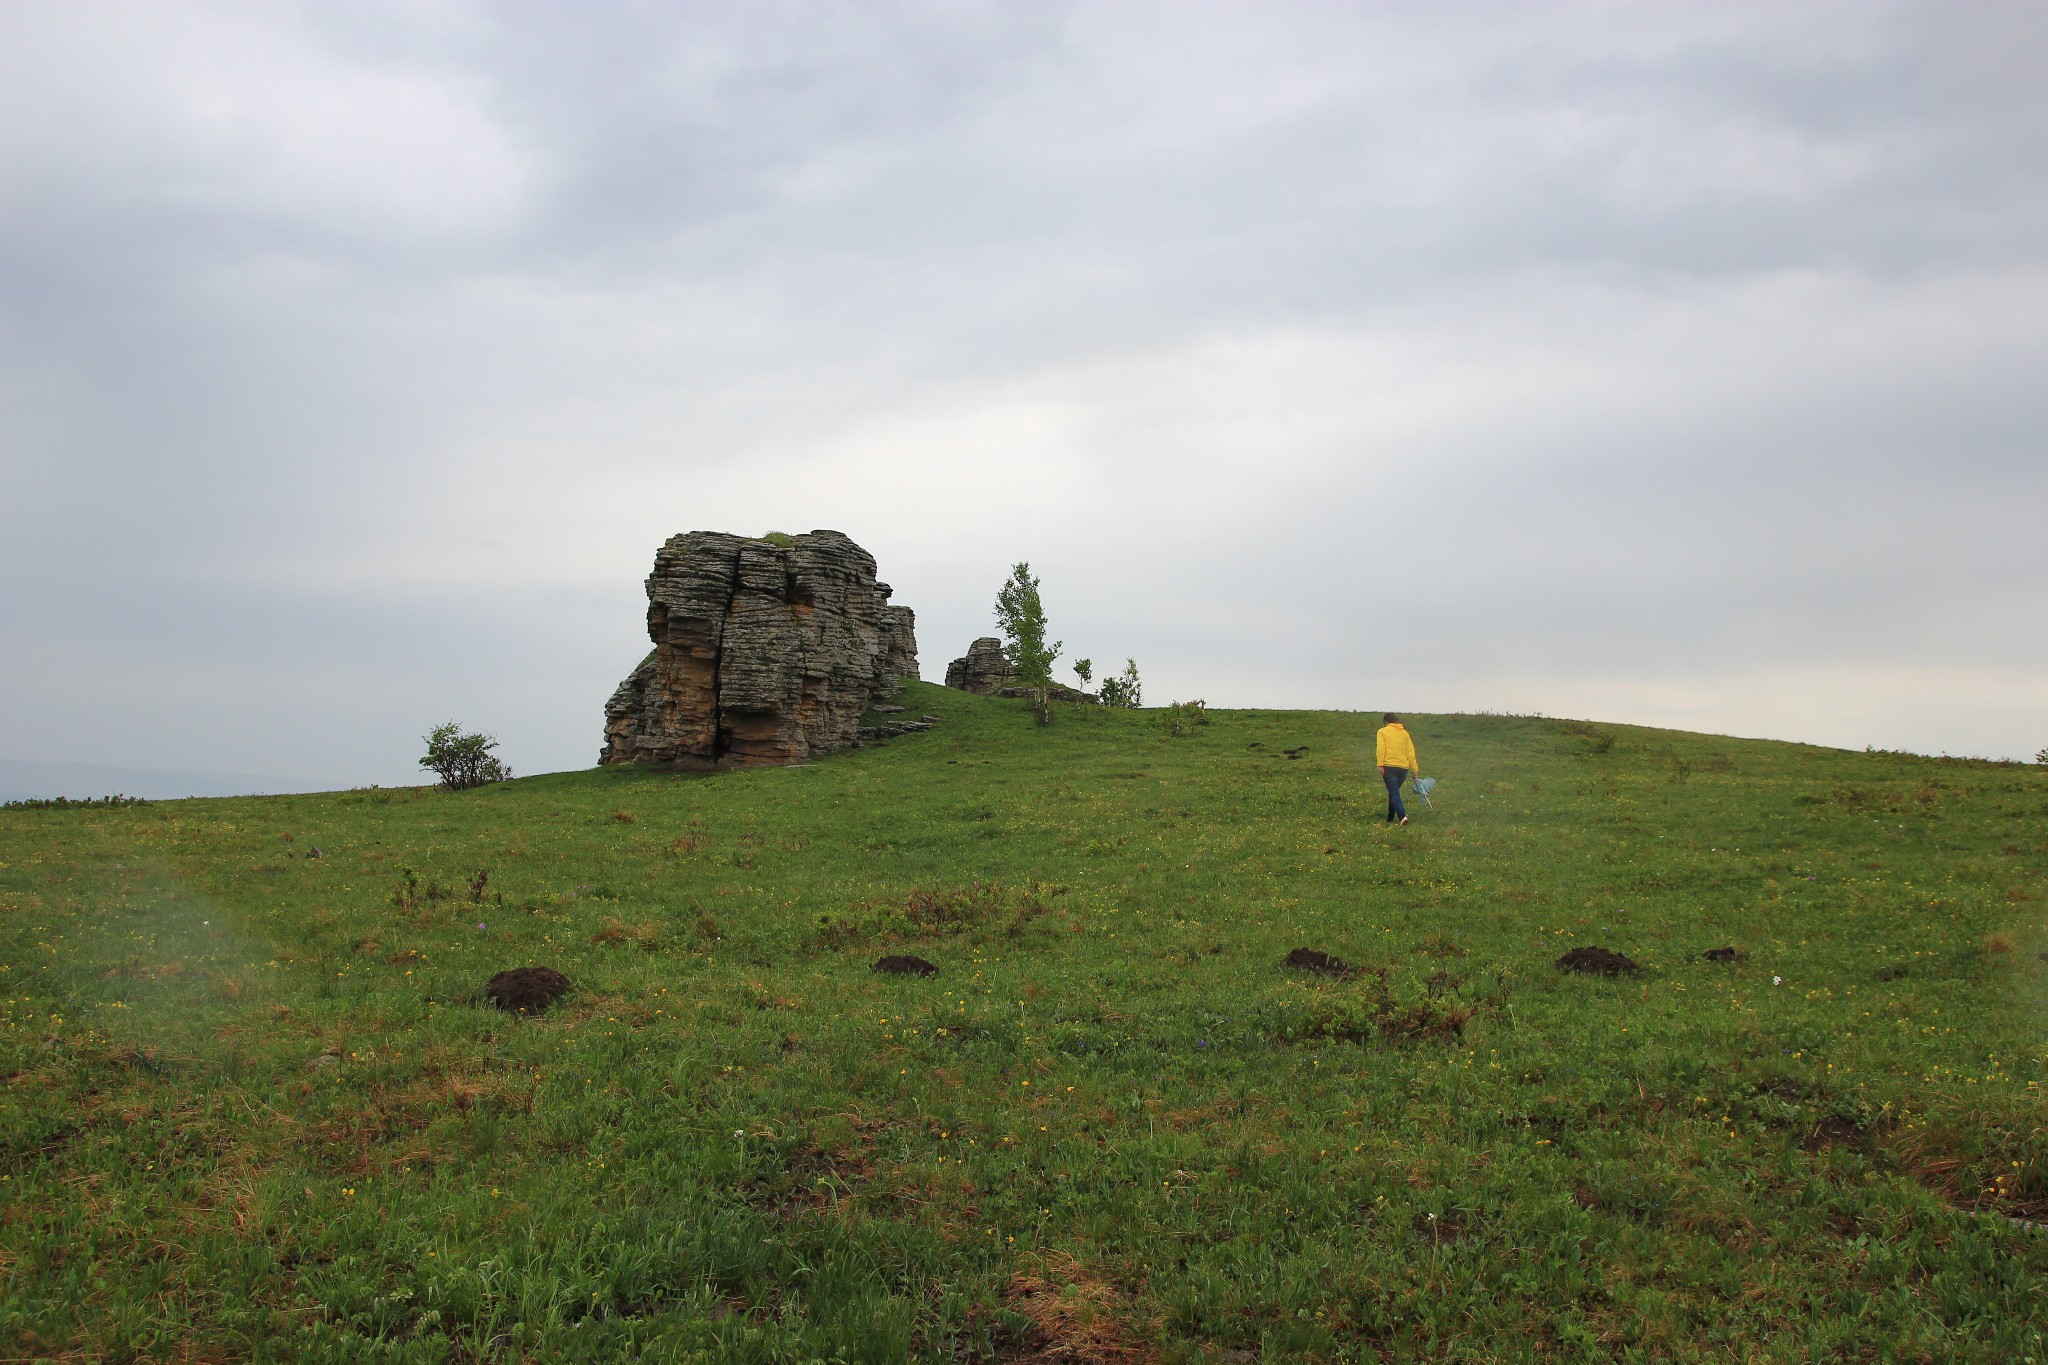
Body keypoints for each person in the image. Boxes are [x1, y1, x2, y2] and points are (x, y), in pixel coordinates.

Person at [1376, 713, 1420, 825]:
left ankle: (1402, 816)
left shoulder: (1382, 731)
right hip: (1403, 769)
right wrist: (1414, 770)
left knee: (1394, 793)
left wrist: (1380, 764)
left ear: (1386, 722)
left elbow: (1381, 749)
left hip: (1389, 767)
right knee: (1393, 792)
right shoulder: (1404, 734)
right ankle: (1390, 817)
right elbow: (1411, 753)